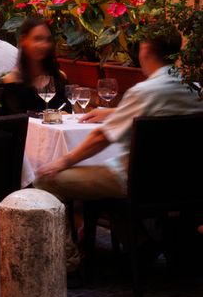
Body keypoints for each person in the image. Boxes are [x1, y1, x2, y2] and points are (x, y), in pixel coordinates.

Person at [37, 26, 203, 204]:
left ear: (145, 49)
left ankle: (78, 229)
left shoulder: (144, 92)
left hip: (137, 180)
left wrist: (63, 161)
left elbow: (102, 136)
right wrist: (114, 112)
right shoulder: (195, 88)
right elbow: (166, 111)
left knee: (44, 180)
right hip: (187, 180)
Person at [0, 17, 69, 115]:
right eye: (37, 39)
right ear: (23, 41)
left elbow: (72, 111)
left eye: (47, 40)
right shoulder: (13, 80)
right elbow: (16, 121)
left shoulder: (59, 77)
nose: (43, 45)